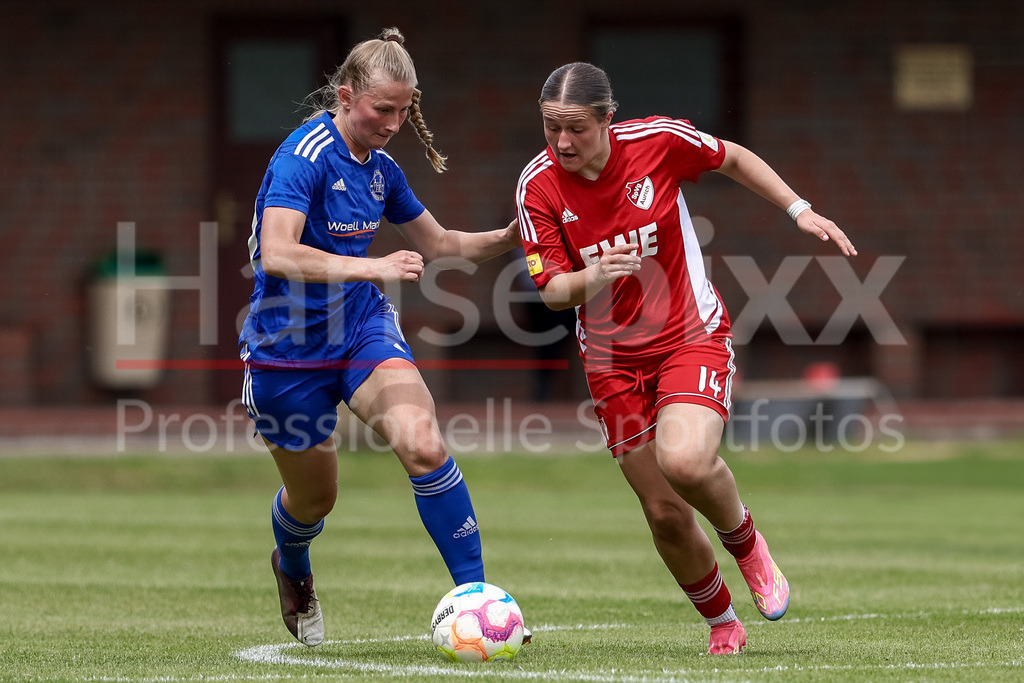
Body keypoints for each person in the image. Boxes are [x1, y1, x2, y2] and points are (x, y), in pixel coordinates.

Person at [515, 62, 856, 655]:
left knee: (687, 463)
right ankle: (723, 621)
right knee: (665, 512)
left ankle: (748, 546)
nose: (562, 142)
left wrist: (798, 209)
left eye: (576, 128)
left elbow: (734, 158)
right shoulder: (537, 186)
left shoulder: (657, 143)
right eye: (551, 128)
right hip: (610, 362)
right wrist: (593, 274)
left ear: (606, 119)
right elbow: (550, 291)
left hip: (688, 334)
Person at [239, 27, 521, 647]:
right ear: (345, 97)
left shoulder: (382, 170)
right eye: (382, 109)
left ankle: (476, 597)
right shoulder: (303, 156)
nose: (393, 123)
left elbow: (440, 244)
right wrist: (375, 266)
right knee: (315, 501)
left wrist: (511, 234)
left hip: (361, 326)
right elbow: (280, 253)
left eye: (404, 110)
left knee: (421, 441)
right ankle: (292, 562)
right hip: (285, 348)